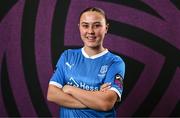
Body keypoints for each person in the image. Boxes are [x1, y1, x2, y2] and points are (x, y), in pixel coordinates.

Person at [47, 7, 125, 117]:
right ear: (79, 27)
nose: (90, 31)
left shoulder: (115, 62)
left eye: (97, 25)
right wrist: (95, 98)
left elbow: (106, 103)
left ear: (106, 28)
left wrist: (69, 88)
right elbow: (52, 94)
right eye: (85, 25)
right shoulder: (67, 56)